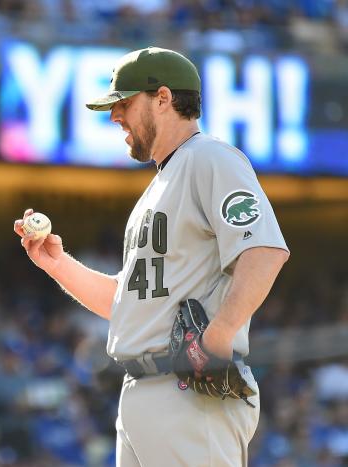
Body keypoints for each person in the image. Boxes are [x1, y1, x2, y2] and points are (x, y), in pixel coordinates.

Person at [14, 47, 290, 466]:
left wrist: (220, 333)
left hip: (191, 392)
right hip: (144, 393)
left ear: (163, 98)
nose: (115, 116)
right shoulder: (161, 184)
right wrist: (57, 264)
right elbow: (126, 306)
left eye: (124, 103)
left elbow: (265, 250)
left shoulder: (210, 157)